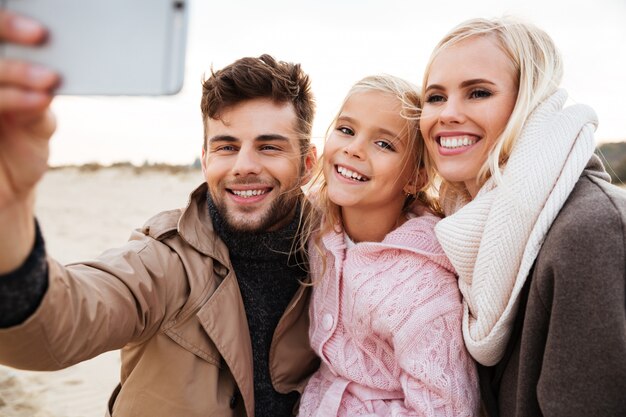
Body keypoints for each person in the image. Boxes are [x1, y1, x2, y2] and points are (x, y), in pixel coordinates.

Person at [0, 10, 320, 417]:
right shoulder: (164, 260)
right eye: (226, 146)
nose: (244, 165)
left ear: (308, 164)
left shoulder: (337, 257)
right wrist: (8, 218)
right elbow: (57, 326)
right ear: (205, 160)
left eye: (269, 146)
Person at [419, 17, 626, 417]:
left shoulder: (592, 231)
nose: (448, 114)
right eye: (435, 97)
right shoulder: (463, 229)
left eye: (478, 93)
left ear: (529, 103)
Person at [297, 75, 480, 417]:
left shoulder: (421, 288)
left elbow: (445, 409)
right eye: (347, 130)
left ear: (415, 178)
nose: (353, 148)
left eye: (384, 144)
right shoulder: (319, 225)